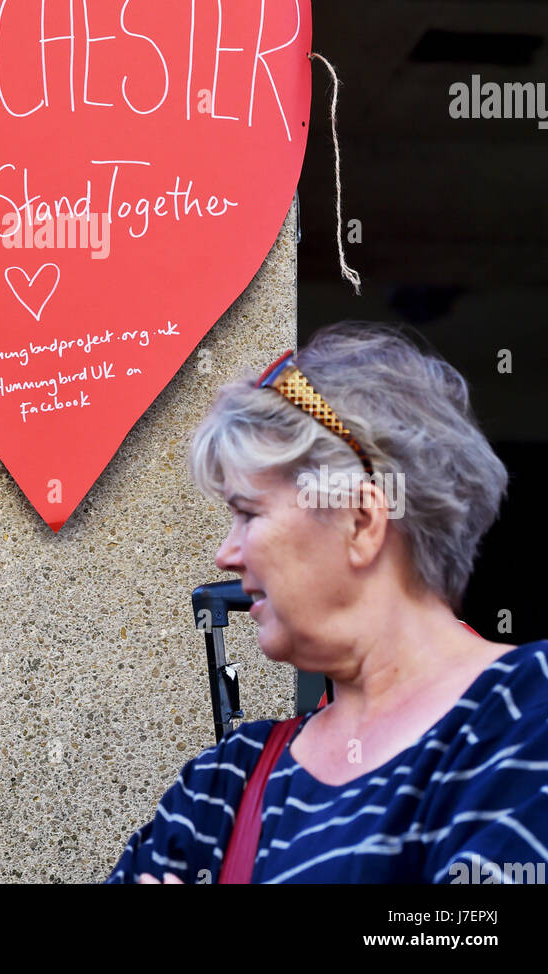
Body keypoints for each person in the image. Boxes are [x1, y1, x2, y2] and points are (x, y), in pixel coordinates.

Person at [108, 322, 548, 884]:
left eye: (249, 513)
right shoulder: (223, 788)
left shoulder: (524, 713)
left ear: (360, 520)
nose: (226, 555)